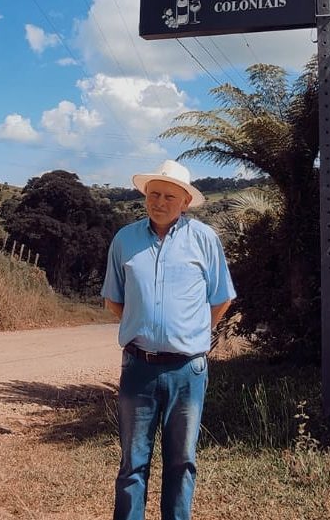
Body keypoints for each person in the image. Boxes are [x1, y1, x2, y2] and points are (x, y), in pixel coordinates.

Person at [102, 159, 235, 520]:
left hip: (187, 371)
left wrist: (193, 333)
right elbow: (114, 299)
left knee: (181, 461)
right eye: (154, 194)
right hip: (138, 368)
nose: (159, 202)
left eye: (168, 196)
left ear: (185, 201)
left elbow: (222, 297)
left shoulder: (204, 240)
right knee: (132, 463)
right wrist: (142, 325)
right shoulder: (125, 240)